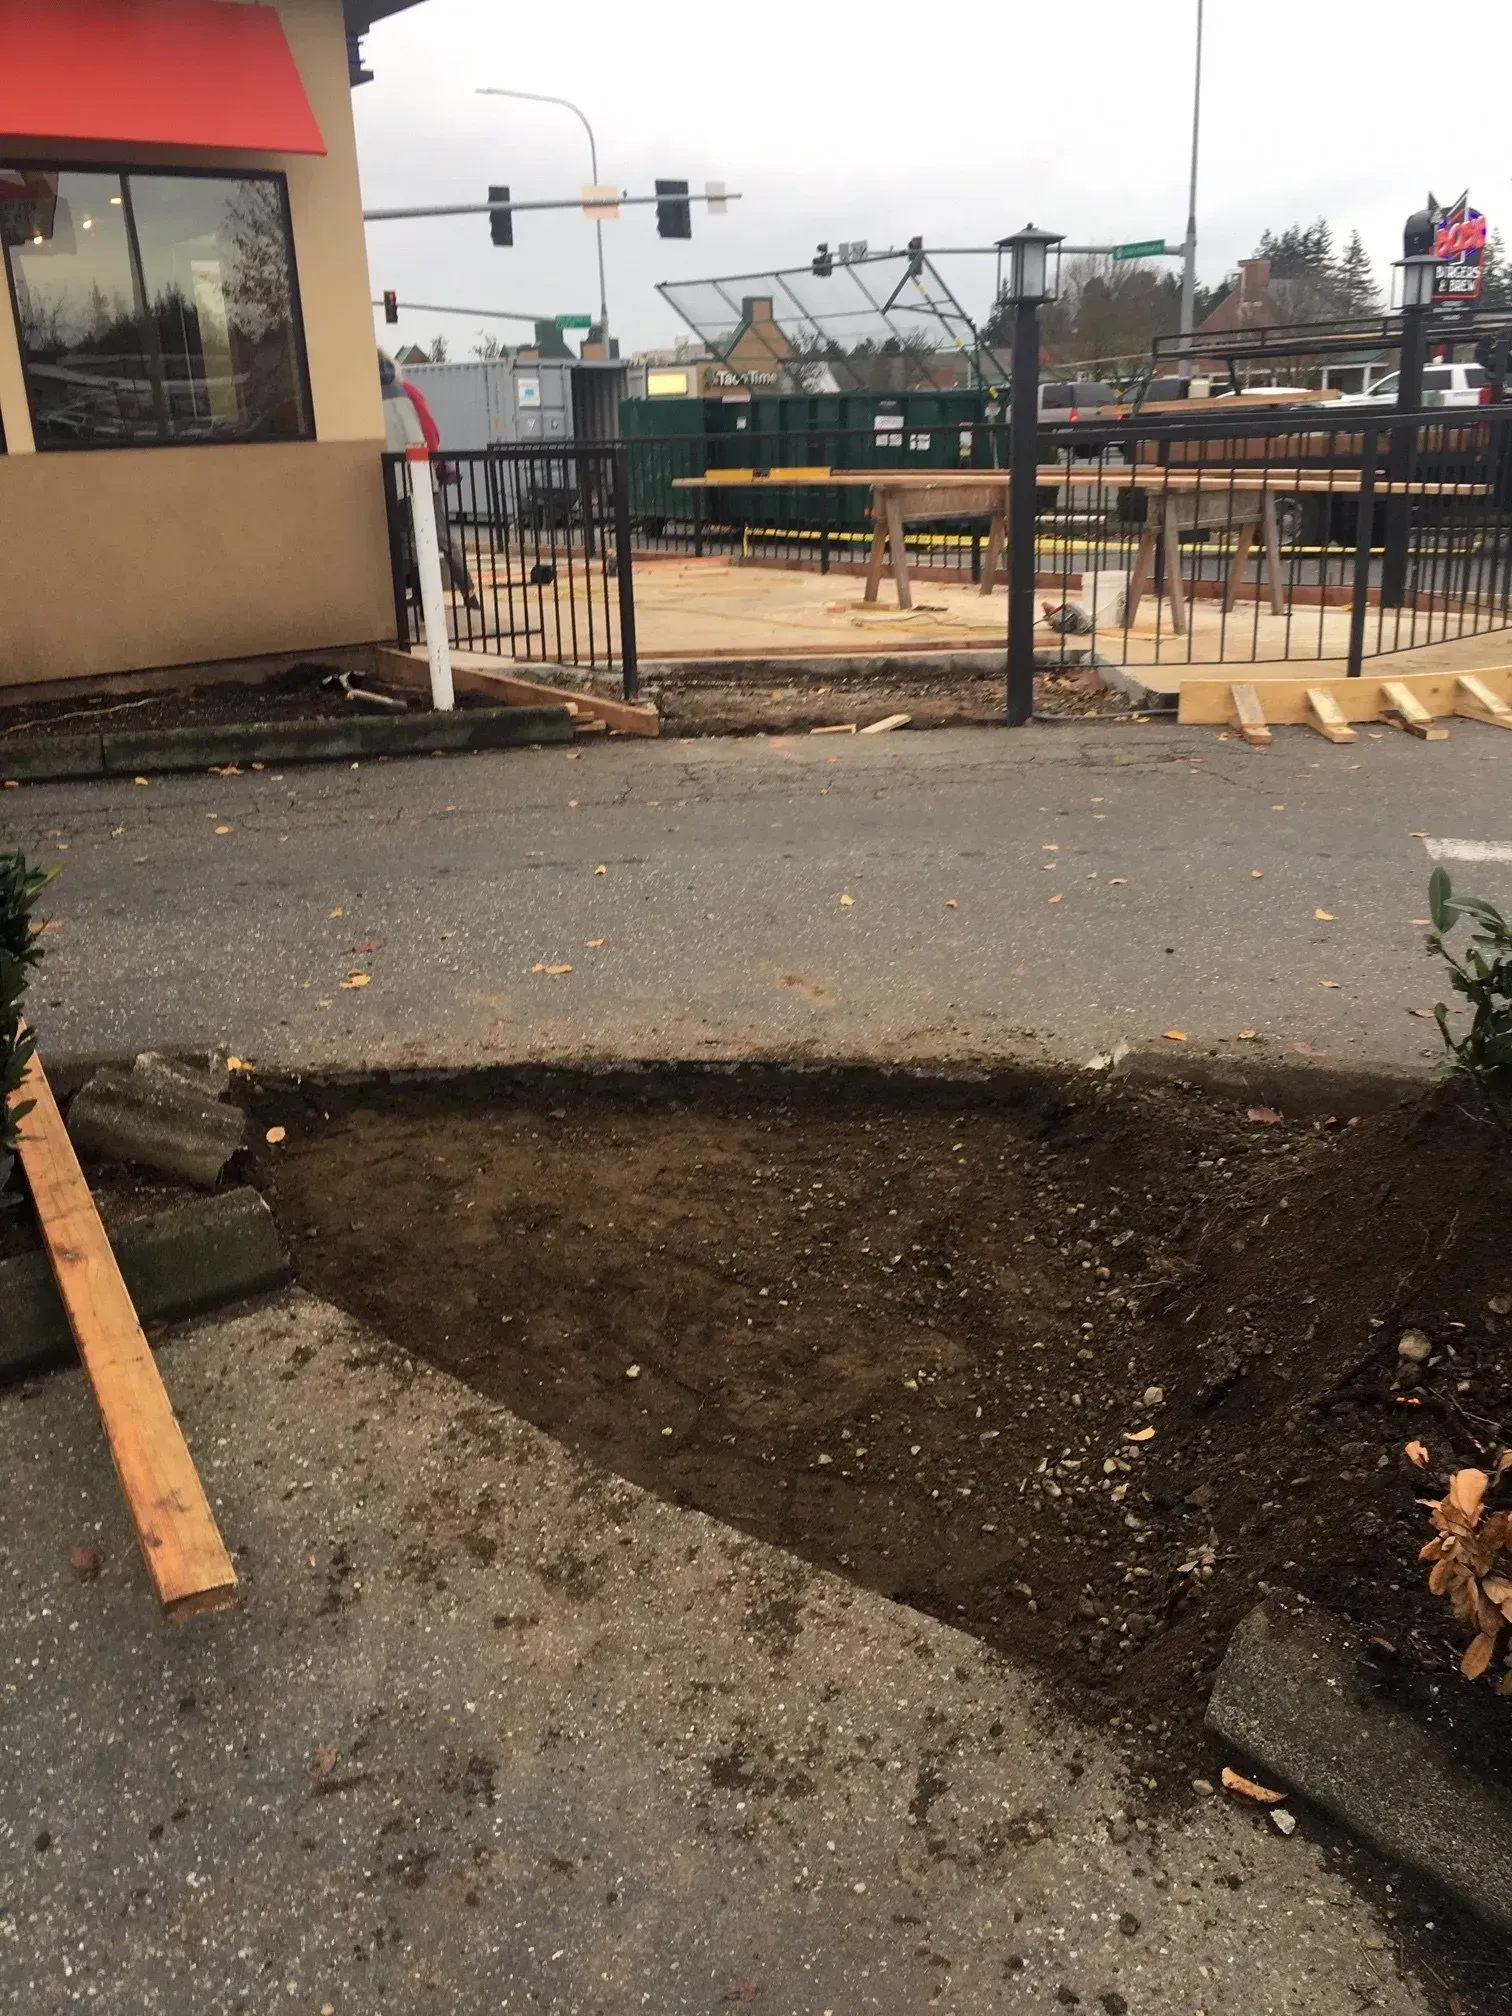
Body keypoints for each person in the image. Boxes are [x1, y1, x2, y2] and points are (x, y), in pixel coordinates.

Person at [378, 350, 482, 612]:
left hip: (392, 478)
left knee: (405, 542)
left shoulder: (365, 397)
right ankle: (467, 591)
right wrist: (433, 463)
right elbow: (430, 429)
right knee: (442, 537)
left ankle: (418, 600)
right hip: (421, 473)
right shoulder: (408, 391)